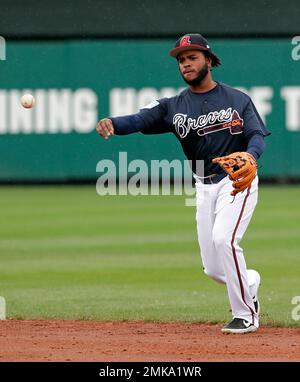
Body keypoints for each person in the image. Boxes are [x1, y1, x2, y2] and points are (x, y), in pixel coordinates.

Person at [96, 33, 270, 334]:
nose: (185, 64)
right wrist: (113, 123)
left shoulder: (237, 100)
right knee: (214, 269)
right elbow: (139, 120)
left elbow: (256, 135)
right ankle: (249, 281)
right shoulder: (172, 106)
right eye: (181, 60)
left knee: (224, 240)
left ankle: (246, 316)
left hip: (237, 182)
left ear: (209, 60)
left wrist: (251, 156)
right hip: (203, 187)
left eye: (192, 57)